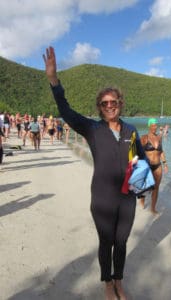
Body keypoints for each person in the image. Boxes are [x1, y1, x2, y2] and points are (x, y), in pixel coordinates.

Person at [43, 46, 146, 300]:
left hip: (126, 199)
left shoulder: (130, 130)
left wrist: (142, 191)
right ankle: (107, 283)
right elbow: (66, 112)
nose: (110, 106)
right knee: (106, 243)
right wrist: (54, 81)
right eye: (105, 103)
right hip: (101, 199)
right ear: (100, 107)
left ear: (120, 104)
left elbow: (139, 160)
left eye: (114, 102)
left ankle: (118, 281)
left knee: (121, 243)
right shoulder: (92, 129)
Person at [139, 118, 168, 214]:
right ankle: (142, 201)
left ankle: (153, 208)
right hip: (147, 166)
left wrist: (165, 163)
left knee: (156, 187)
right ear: (149, 126)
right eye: (153, 125)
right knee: (145, 187)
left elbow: (161, 151)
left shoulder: (159, 138)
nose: (155, 127)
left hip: (158, 166)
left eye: (156, 125)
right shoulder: (144, 138)